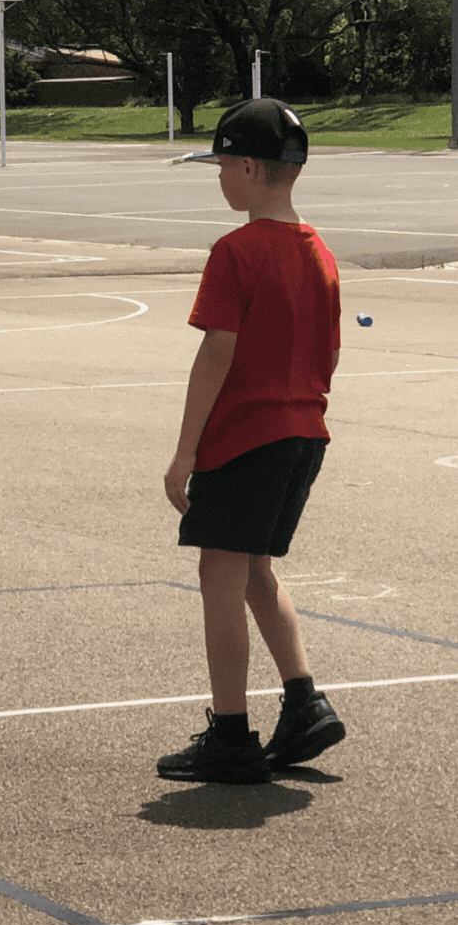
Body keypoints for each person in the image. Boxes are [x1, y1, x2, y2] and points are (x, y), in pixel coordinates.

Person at [159, 98, 347, 784]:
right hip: (303, 433)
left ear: (246, 168)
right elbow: (329, 350)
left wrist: (185, 451)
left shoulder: (236, 252)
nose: (218, 178)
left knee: (220, 574)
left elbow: (218, 351)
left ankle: (232, 733)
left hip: (247, 436)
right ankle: (304, 701)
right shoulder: (319, 251)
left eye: (221, 166)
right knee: (255, 570)